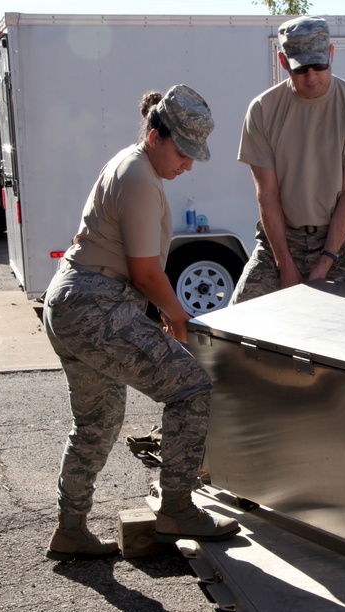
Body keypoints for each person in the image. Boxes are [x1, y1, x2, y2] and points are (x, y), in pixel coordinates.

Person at [42, 85, 238, 562]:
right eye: (184, 151)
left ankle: (71, 527)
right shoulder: (138, 175)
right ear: (156, 135)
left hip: (71, 304)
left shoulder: (134, 167)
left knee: (98, 420)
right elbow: (147, 272)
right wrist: (178, 318)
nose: (189, 163)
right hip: (94, 306)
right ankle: (176, 509)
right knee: (190, 387)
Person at [230, 15, 345, 305]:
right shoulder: (263, 110)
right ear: (283, 62)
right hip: (282, 238)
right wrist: (286, 267)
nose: (312, 76)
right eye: (301, 68)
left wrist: (324, 265)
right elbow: (267, 195)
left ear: (332, 54)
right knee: (233, 324)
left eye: (320, 66)